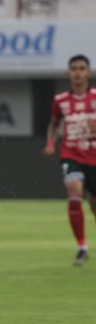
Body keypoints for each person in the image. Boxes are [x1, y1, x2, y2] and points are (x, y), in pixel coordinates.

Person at [43, 54, 96, 266]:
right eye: (74, 68)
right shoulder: (60, 101)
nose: (78, 72)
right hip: (71, 155)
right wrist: (50, 144)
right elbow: (54, 124)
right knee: (74, 190)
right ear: (68, 73)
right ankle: (81, 246)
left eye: (82, 68)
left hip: (93, 157)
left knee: (94, 205)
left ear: (88, 73)